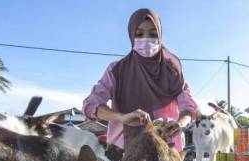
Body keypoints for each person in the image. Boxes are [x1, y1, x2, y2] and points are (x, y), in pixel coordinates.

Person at [83, 8, 198, 153]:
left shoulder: (172, 71)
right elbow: (91, 105)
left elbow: (188, 107)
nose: (146, 39)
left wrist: (179, 124)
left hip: (166, 152)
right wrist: (122, 117)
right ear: (131, 36)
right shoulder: (116, 71)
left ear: (160, 35)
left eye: (153, 34)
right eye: (139, 34)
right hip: (124, 154)